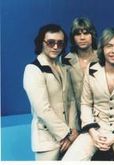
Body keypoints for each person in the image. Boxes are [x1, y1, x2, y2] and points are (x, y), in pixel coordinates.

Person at [62, 27, 114, 161]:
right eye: (109, 46)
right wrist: (93, 132)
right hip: (95, 128)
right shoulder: (92, 69)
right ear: (102, 49)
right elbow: (86, 104)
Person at [61, 17, 114, 160]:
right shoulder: (66, 60)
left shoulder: (103, 57)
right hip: (76, 117)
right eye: (78, 34)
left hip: (101, 117)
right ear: (73, 37)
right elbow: (68, 97)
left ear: (93, 35)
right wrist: (73, 127)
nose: (82, 37)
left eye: (86, 33)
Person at [23, 24, 79, 160]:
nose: (55, 47)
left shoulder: (63, 68)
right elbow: (42, 109)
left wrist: (73, 131)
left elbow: (71, 101)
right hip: (47, 140)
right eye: (51, 42)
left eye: (60, 43)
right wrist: (65, 134)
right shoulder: (33, 70)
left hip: (69, 138)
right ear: (41, 43)